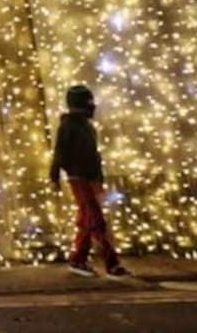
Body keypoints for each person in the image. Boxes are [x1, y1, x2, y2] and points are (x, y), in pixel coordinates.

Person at [50, 84, 131, 278]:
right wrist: (54, 176)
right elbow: (60, 152)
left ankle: (78, 259)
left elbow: (94, 154)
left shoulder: (87, 127)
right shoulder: (69, 126)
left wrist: (99, 176)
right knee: (96, 220)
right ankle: (111, 263)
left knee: (87, 219)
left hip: (89, 177)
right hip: (78, 177)